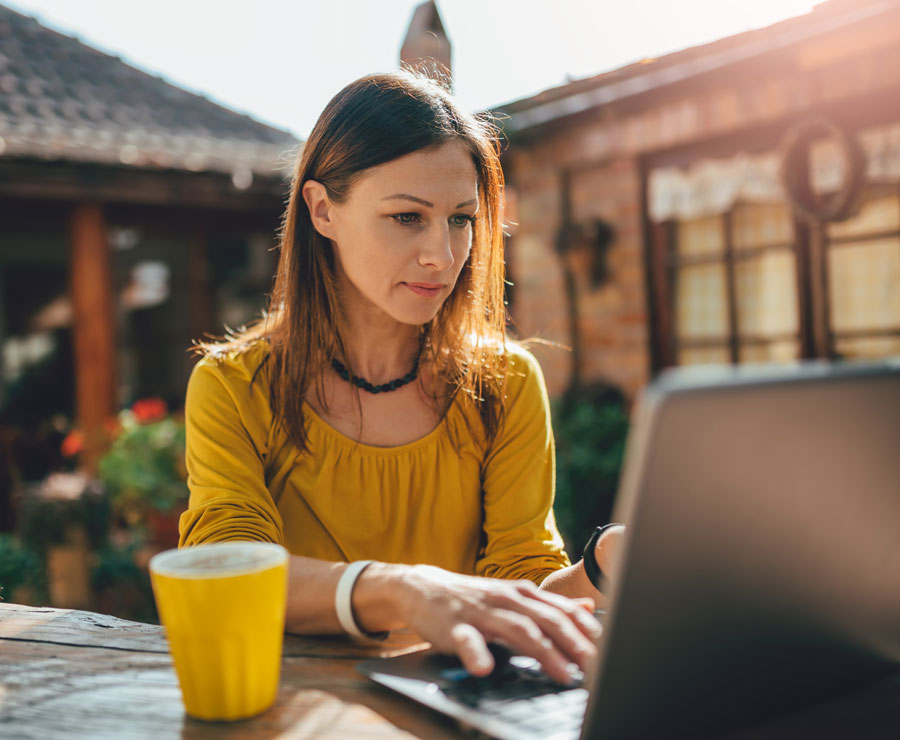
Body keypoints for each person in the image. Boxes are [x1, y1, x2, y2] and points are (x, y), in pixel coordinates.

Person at [179, 68, 624, 684]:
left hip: (458, 710)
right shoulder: (234, 386)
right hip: (296, 713)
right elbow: (229, 570)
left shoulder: (505, 383)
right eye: (407, 217)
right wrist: (403, 589)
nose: (441, 256)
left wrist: (601, 566)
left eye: (462, 219)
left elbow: (517, 587)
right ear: (322, 210)